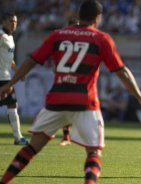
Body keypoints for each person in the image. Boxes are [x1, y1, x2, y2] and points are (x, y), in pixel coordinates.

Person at [0, 1, 141, 184]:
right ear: (98, 18)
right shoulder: (101, 38)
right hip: (85, 102)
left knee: (31, 148)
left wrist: (10, 83)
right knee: (94, 152)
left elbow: (32, 60)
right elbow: (122, 72)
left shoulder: (58, 35)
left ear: (78, 16)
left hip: (56, 100)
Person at [0, 12, 28, 145]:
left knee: (10, 104)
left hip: (5, 76)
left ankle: (18, 137)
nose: (14, 24)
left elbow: (9, 59)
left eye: (15, 22)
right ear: (4, 22)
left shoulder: (10, 38)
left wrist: (19, 72)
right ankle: (18, 138)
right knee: (12, 104)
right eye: (11, 21)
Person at [59, 16, 80, 146]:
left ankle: (75, 136)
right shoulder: (63, 39)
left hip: (80, 78)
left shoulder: (84, 40)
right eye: (74, 25)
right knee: (64, 107)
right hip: (65, 77)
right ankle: (66, 136)